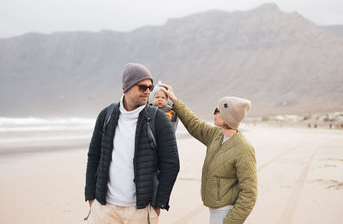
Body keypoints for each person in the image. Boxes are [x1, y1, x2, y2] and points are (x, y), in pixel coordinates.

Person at [84, 63, 180, 224]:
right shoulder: (106, 115)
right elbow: (94, 156)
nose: (148, 91)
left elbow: (171, 164)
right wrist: (91, 197)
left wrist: (158, 205)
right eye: (143, 87)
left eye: (150, 87)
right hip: (105, 209)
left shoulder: (159, 119)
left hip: (141, 212)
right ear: (127, 87)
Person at [159, 83, 257, 224]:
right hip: (215, 211)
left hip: (226, 213)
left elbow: (249, 194)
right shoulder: (215, 135)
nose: (214, 113)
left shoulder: (244, 149)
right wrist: (175, 101)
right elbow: (194, 124)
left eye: (218, 111)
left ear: (228, 117)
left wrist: (229, 222)